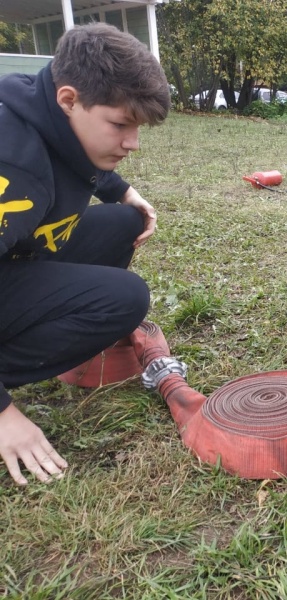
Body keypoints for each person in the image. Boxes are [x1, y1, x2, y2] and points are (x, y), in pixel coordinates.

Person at [0, 23, 170, 485]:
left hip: (12, 257)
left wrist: (123, 191)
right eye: (120, 125)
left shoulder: (42, 101)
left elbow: (71, 152)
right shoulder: (11, 168)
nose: (132, 143)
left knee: (122, 223)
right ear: (70, 100)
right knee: (124, 298)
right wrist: (4, 417)